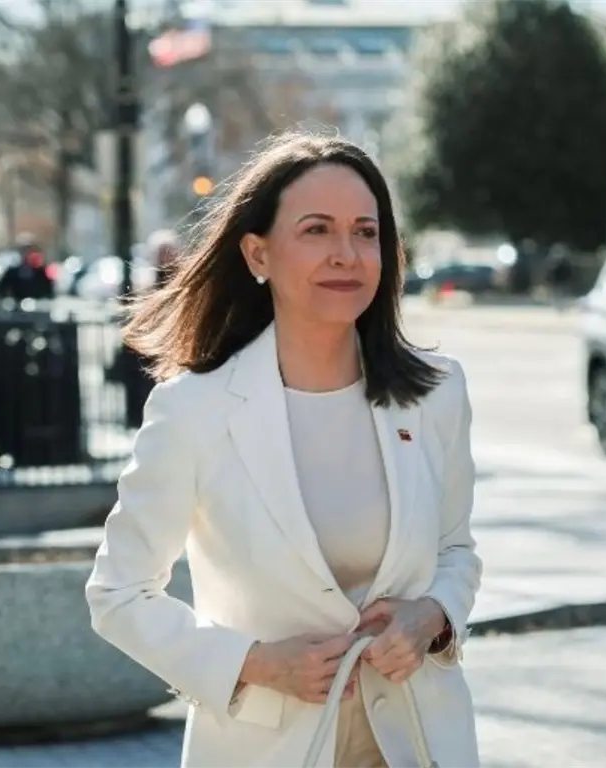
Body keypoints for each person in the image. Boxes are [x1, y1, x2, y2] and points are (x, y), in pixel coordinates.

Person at [84, 133, 482, 768]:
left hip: (418, 740)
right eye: (317, 231)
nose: (346, 255)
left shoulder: (435, 393)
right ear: (257, 252)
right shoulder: (194, 409)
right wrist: (254, 664)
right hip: (263, 746)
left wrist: (431, 617)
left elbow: (456, 551)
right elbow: (118, 593)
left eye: (365, 232)